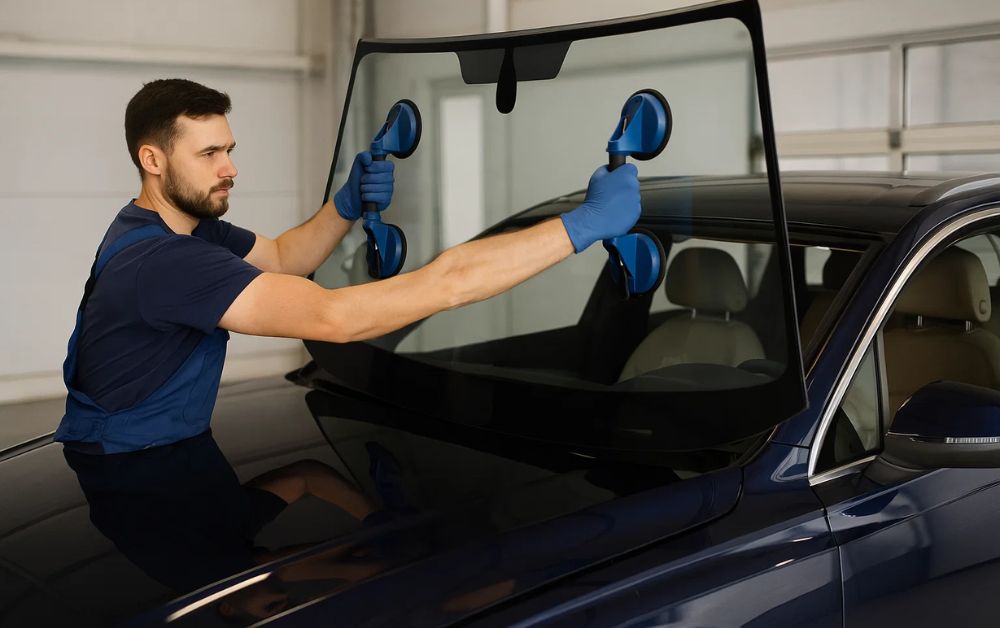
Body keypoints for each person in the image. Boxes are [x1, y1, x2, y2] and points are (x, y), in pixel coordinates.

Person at [53, 78, 641, 454]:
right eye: (209, 153)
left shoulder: (173, 227)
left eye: (230, 149)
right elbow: (336, 318)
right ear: (151, 158)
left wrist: (346, 201)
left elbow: (287, 257)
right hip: (137, 472)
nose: (230, 168)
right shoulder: (167, 262)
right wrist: (581, 226)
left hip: (161, 449)